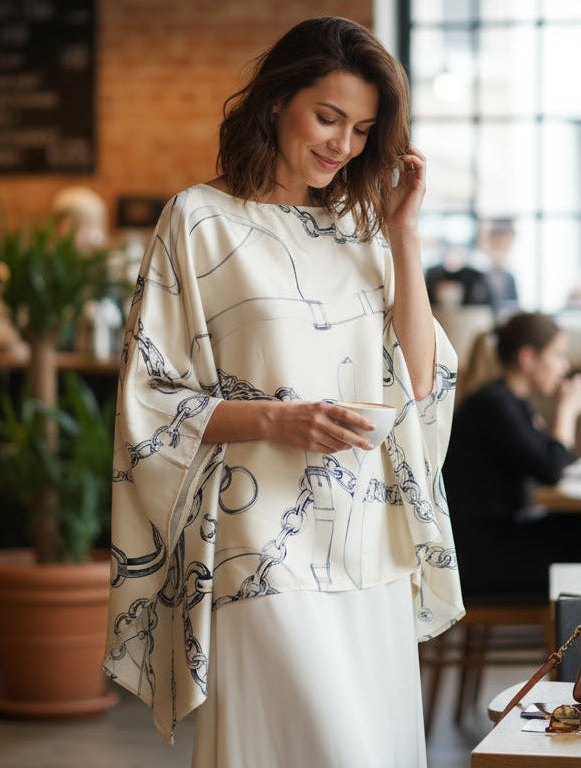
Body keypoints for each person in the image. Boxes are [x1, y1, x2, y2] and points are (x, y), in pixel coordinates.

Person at [103, 17, 464, 767]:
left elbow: (421, 383)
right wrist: (278, 419)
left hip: (369, 544)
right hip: (257, 547)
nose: (343, 144)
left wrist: (404, 234)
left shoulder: (365, 231)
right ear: (276, 103)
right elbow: (151, 398)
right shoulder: (198, 221)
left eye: (363, 129)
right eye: (327, 117)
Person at [444, 312, 581, 599]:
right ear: (528, 358)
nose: (565, 368)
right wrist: (567, 410)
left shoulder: (512, 404)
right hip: (481, 556)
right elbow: (553, 469)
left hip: (496, 540)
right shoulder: (494, 405)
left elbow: (556, 463)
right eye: (558, 356)